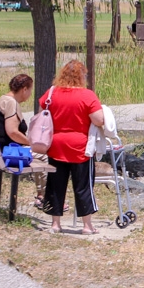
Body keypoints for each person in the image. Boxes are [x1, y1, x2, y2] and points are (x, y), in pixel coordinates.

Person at [40, 60, 104, 234]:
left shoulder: (51, 93)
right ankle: (87, 225)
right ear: (82, 76)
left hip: (56, 145)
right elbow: (98, 120)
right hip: (80, 147)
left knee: (55, 185)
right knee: (83, 185)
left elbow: (41, 113)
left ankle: (55, 224)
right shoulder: (87, 95)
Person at [0, 73, 48, 208]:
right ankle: (45, 197)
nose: (30, 93)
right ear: (24, 89)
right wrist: (31, 143)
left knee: (40, 155)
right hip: (6, 153)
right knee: (45, 156)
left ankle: (42, 195)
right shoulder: (11, 103)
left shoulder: (4, 99)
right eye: (30, 90)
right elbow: (12, 132)